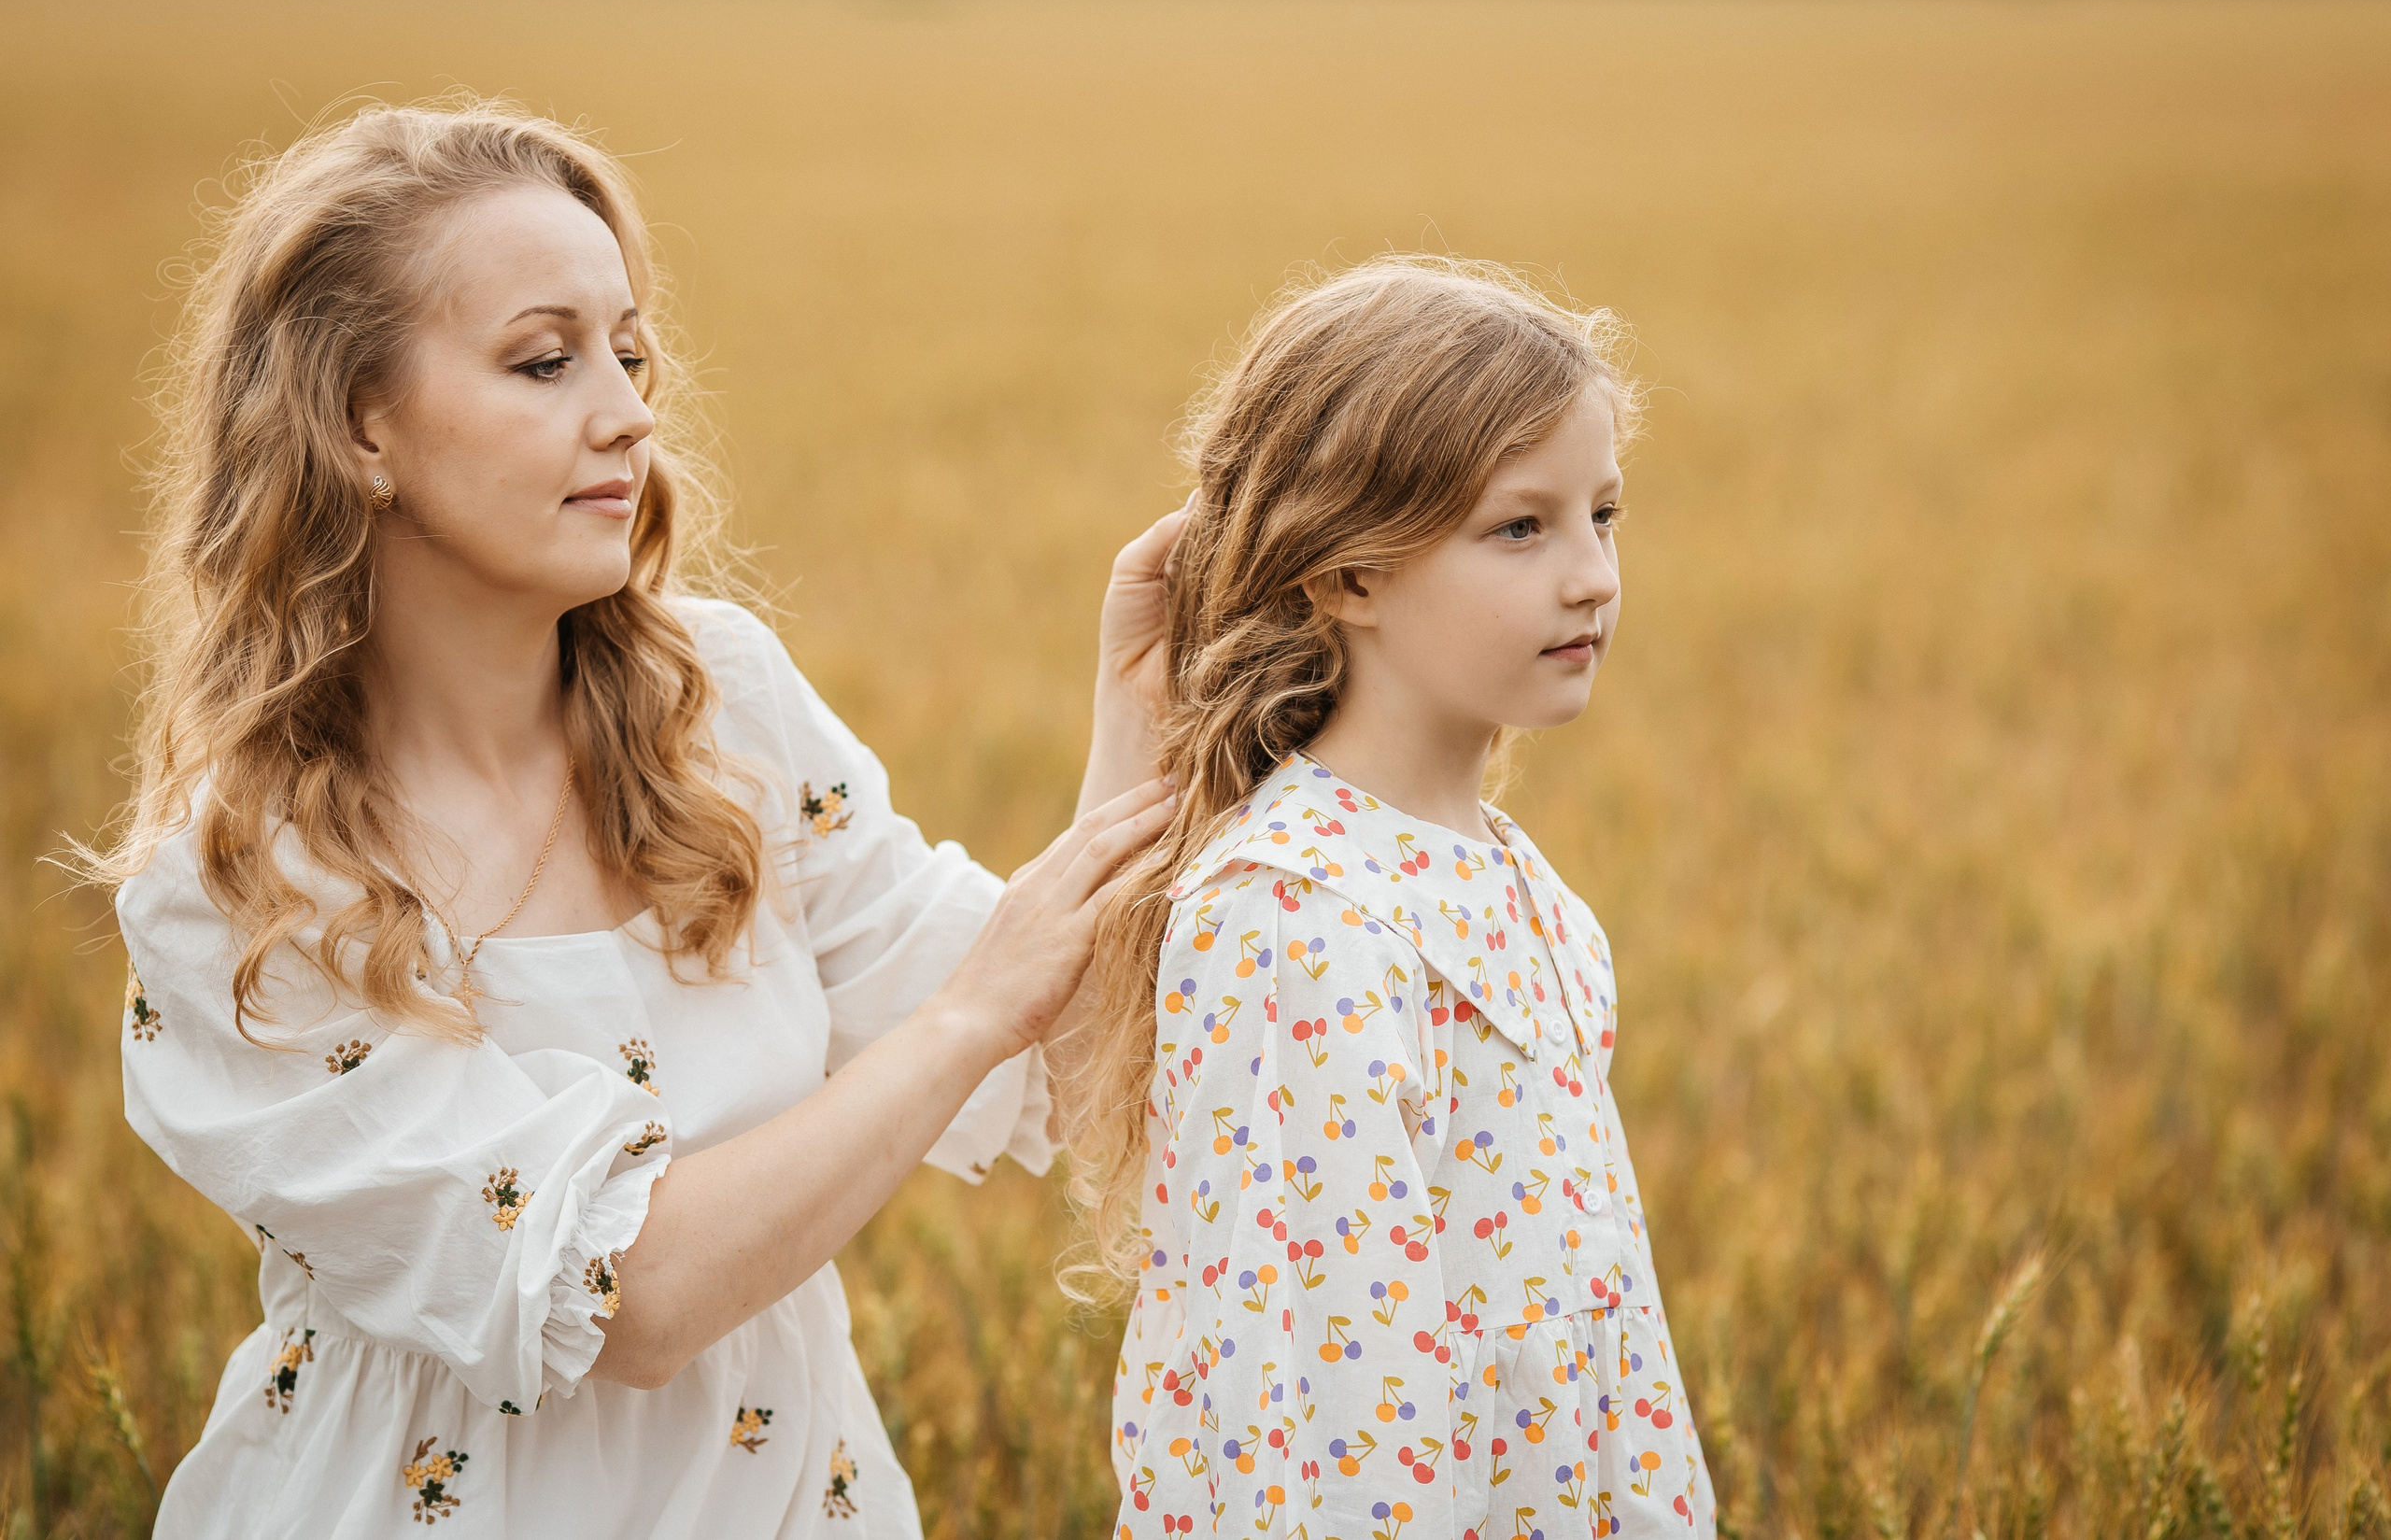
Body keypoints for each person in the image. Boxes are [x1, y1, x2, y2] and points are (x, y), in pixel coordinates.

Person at [85, 98, 1180, 1537]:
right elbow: (627, 1296)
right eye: (545, 361)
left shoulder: (718, 703)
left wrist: (1142, 717)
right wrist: (971, 1015)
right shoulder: (242, 880)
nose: (627, 410)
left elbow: (1064, 1022)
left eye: (629, 349)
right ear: (360, 426)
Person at [1055, 257, 1718, 1538]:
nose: (1591, 575)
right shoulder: (1299, 917)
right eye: (1520, 528)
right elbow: (1316, 1406)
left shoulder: (1532, 896)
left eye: (1604, 515)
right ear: (1346, 577)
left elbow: (1607, 1341)